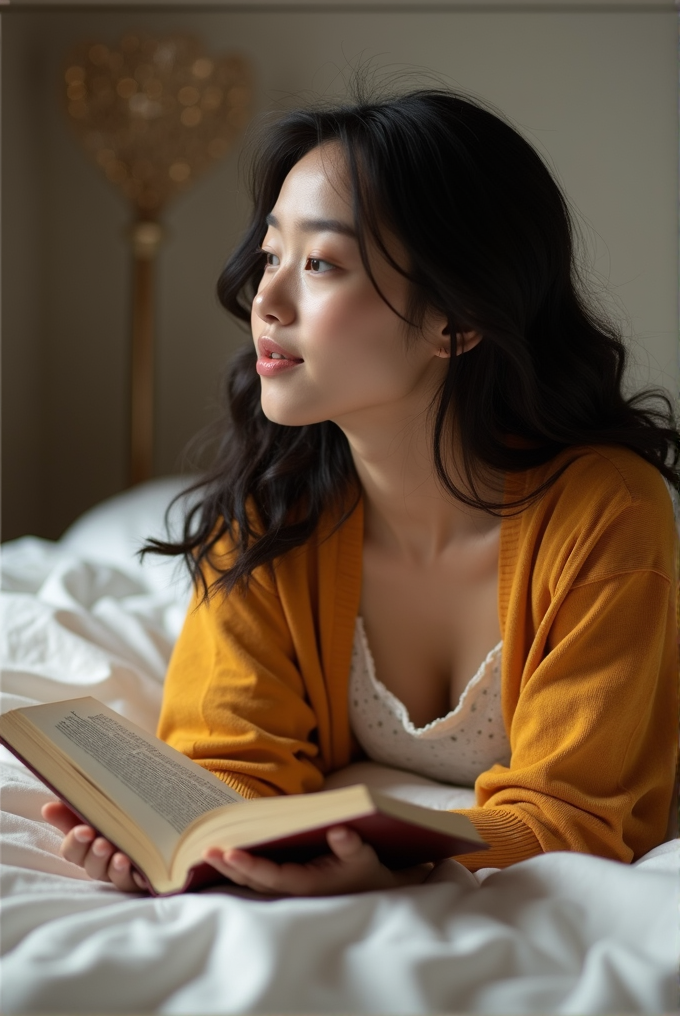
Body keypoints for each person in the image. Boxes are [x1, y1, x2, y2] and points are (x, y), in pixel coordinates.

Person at [44, 87, 679, 896]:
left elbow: (576, 815)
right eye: (272, 255)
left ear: (457, 319)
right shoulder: (271, 507)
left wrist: (397, 866)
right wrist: (176, 840)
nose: (265, 301)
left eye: (321, 264)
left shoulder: (605, 513)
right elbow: (230, 763)